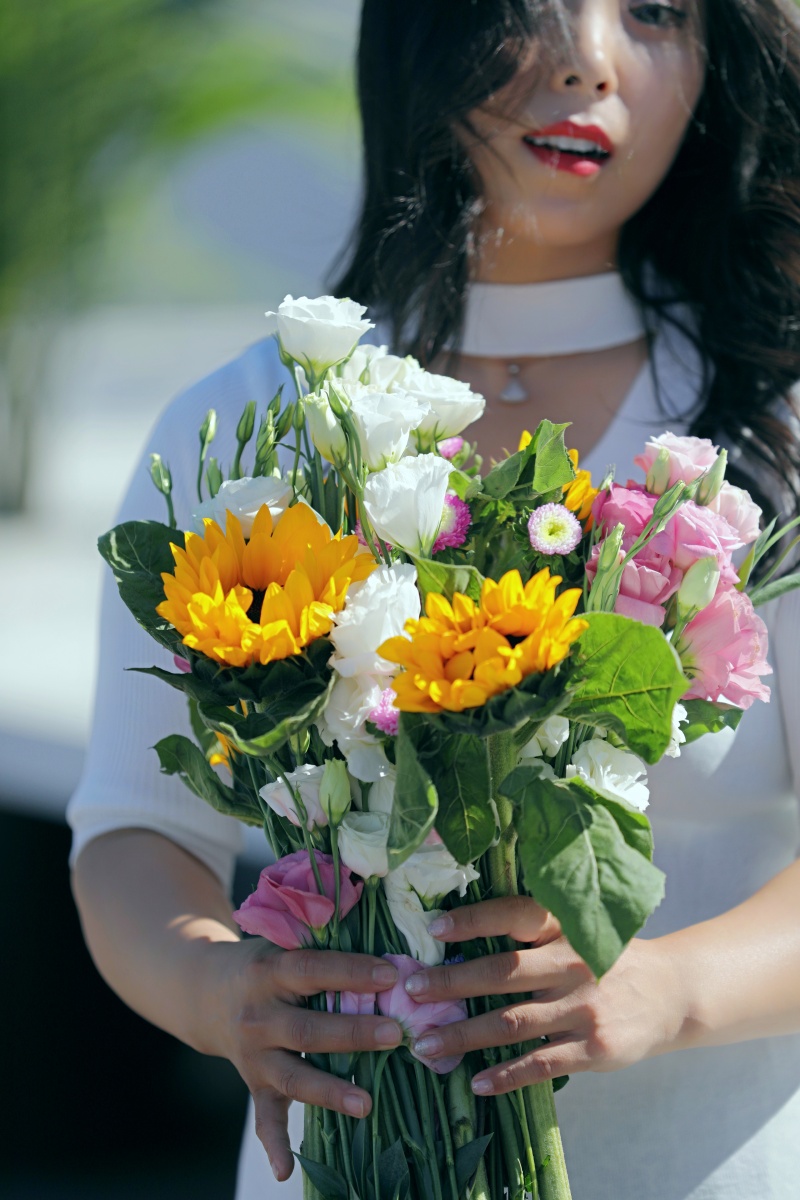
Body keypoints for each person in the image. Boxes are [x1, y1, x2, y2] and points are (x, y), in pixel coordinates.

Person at [69, 1, 800, 1197]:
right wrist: (215, 990)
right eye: (533, 3)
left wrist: (663, 990)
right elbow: (133, 833)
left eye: (656, 12)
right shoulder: (247, 425)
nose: (589, 59)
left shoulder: (772, 429)